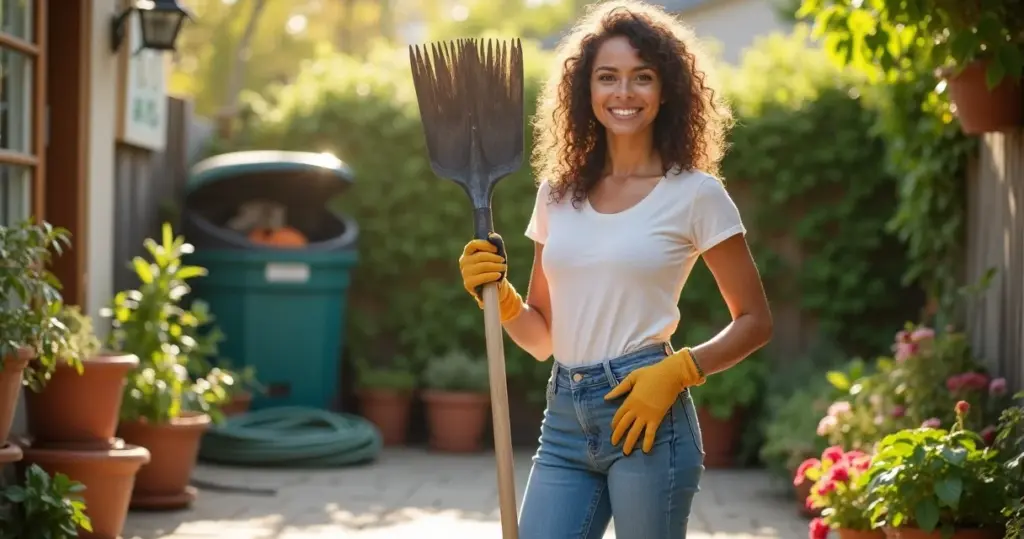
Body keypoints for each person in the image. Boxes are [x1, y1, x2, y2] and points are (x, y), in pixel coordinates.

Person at [457, 1, 773, 537]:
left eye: (641, 78)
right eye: (608, 77)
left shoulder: (696, 194)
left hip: (647, 412)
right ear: (587, 90)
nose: (623, 93)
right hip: (563, 421)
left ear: (667, 88)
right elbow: (540, 337)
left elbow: (755, 322)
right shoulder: (557, 195)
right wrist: (499, 295)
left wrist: (680, 370)